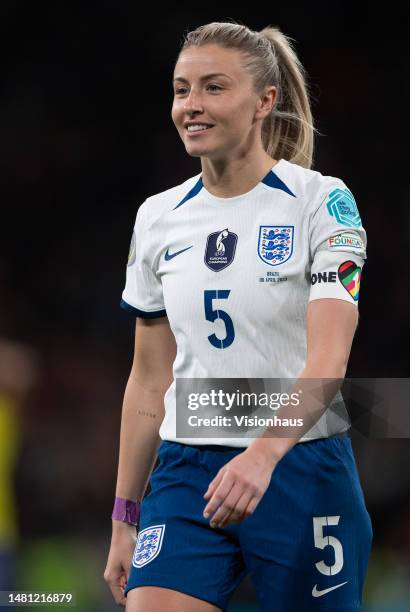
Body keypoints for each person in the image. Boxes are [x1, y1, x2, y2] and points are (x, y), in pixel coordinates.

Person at [104, 20, 373, 612]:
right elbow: (149, 379)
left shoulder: (322, 202)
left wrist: (264, 453)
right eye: (181, 90)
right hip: (187, 470)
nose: (191, 106)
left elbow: (329, 361)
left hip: (298, 467)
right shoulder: (157, 217)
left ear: (264, 102)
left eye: (213, 88)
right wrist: (125, 515)